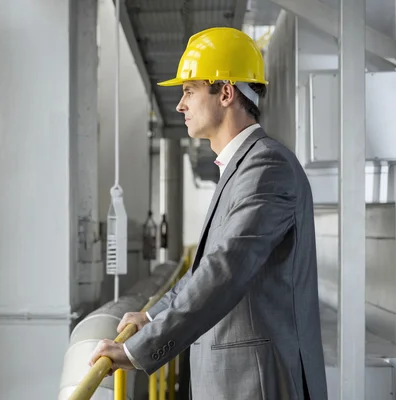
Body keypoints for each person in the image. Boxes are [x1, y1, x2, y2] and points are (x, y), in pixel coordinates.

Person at [89, 27, 328, 399]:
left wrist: (139, 348)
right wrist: (152, 316)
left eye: (189, 91)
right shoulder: (242, 168)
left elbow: (225, 270)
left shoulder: (267, 167)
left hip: (256, 385)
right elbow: (209, 267)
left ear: (226, 93)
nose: (180, 105)